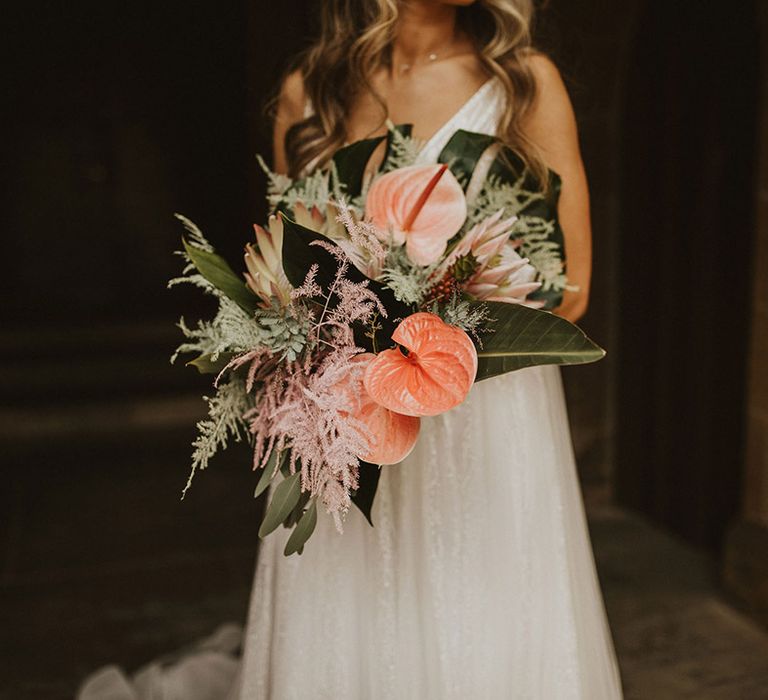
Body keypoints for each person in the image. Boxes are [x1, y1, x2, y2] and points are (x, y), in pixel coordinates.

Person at [79, 1, 623, 698]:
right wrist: (326, 338)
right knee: (350, 603)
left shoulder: (522, 83)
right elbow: (287, 266)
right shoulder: (316, 90)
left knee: (481, 611)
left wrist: (436, 323)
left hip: (481, 412)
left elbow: (569, 289)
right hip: (347, 407)